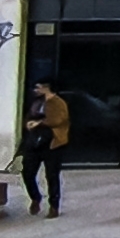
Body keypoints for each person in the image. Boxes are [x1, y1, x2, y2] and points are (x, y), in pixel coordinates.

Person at [20, 81, 70, 216]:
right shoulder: (37, 102)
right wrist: (28, 124)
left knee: (52, 175)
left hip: (52, 141)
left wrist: (39, 123)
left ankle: (54, 205)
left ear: (47, 88)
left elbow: (58, 120)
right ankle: (35, 197)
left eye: (39, 87)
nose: (36, 90)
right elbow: (28, 115)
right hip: (34, 140)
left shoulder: (58, 103)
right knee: (28, 172)